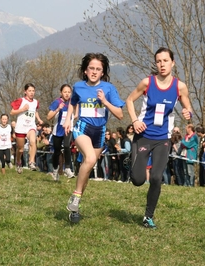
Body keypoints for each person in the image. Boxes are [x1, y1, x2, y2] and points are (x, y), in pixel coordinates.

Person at [126, 47, 192, 229]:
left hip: (163, 138)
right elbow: (129, 100)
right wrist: (134, 121)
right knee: (138, 180)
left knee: (156, 177)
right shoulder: (148, 83)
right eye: (158, 61)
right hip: (143, 136)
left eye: (165, 60)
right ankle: (131, 162)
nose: (162, 64)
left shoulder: (180, 86)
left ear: (172, 62)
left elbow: (188, 108)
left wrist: (188, 113)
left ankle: (148, 216)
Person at [63, 52, 125, 223]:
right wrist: (68, 119)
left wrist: (105, 101)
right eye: (91, 68)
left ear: (103, 72)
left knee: (87, 167)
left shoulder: (109, 88)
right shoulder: (78, 86)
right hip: (83, 128)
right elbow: (72, 103)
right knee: (90, 159)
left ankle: (76, 207)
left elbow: (120, 114)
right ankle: (75, 196)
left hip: (99, 132)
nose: (94, 72)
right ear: (85, 70)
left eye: (98, 69)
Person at [10, 83, 44, 173]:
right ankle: (18, 162)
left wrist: (39, 119)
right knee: (20, 148)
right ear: (25, 91)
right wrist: (22, 109)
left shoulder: (36, 102)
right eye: (29, 91)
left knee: (33, 141)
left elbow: (35, 111)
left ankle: (31, 162)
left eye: (33, 91)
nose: (32, 93)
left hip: (31, 126)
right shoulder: (21, 100)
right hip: (21, 127)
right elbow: (12, 112)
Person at [47, 84, 75, 180]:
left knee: (67, 146)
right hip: (57, 130)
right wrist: (58, 108)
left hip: (68, 128)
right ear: (61, 93)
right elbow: (48, 116)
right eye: (65, 92)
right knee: (57, 151)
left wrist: (72, 120)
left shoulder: (72, 102)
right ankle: (55, 169)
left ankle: (67, 168)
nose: (67, 94)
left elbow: (77, 113)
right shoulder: (57, 102)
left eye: (69, 92)